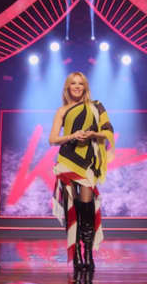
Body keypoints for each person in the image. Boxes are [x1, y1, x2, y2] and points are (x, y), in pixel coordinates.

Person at [49, 72, 114, 271]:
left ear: (85, 87)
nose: (77, 86)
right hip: (67, 160)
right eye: (73, 83)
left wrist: (93, 133)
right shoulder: (62, 110)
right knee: (72, 208)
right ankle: (77, 252)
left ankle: (88, 253)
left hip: (88, 162)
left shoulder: (96, 106)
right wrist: (72, 136)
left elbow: (108, 130)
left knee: (87, 205)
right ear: (67, 87)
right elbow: (52, 139)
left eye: (81, 84)